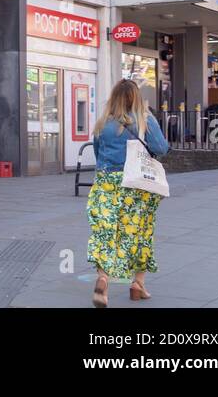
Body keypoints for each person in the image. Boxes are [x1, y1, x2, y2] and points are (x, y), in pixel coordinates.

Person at [86, 80, 170, 307]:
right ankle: (138, 284)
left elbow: (97, 153)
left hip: (105, 184)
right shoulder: (145, 119)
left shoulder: (104, 122)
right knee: (140, 232)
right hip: (136, 185)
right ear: (136, 97)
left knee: (105, 234)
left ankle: (103, 280)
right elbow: (162, 148)